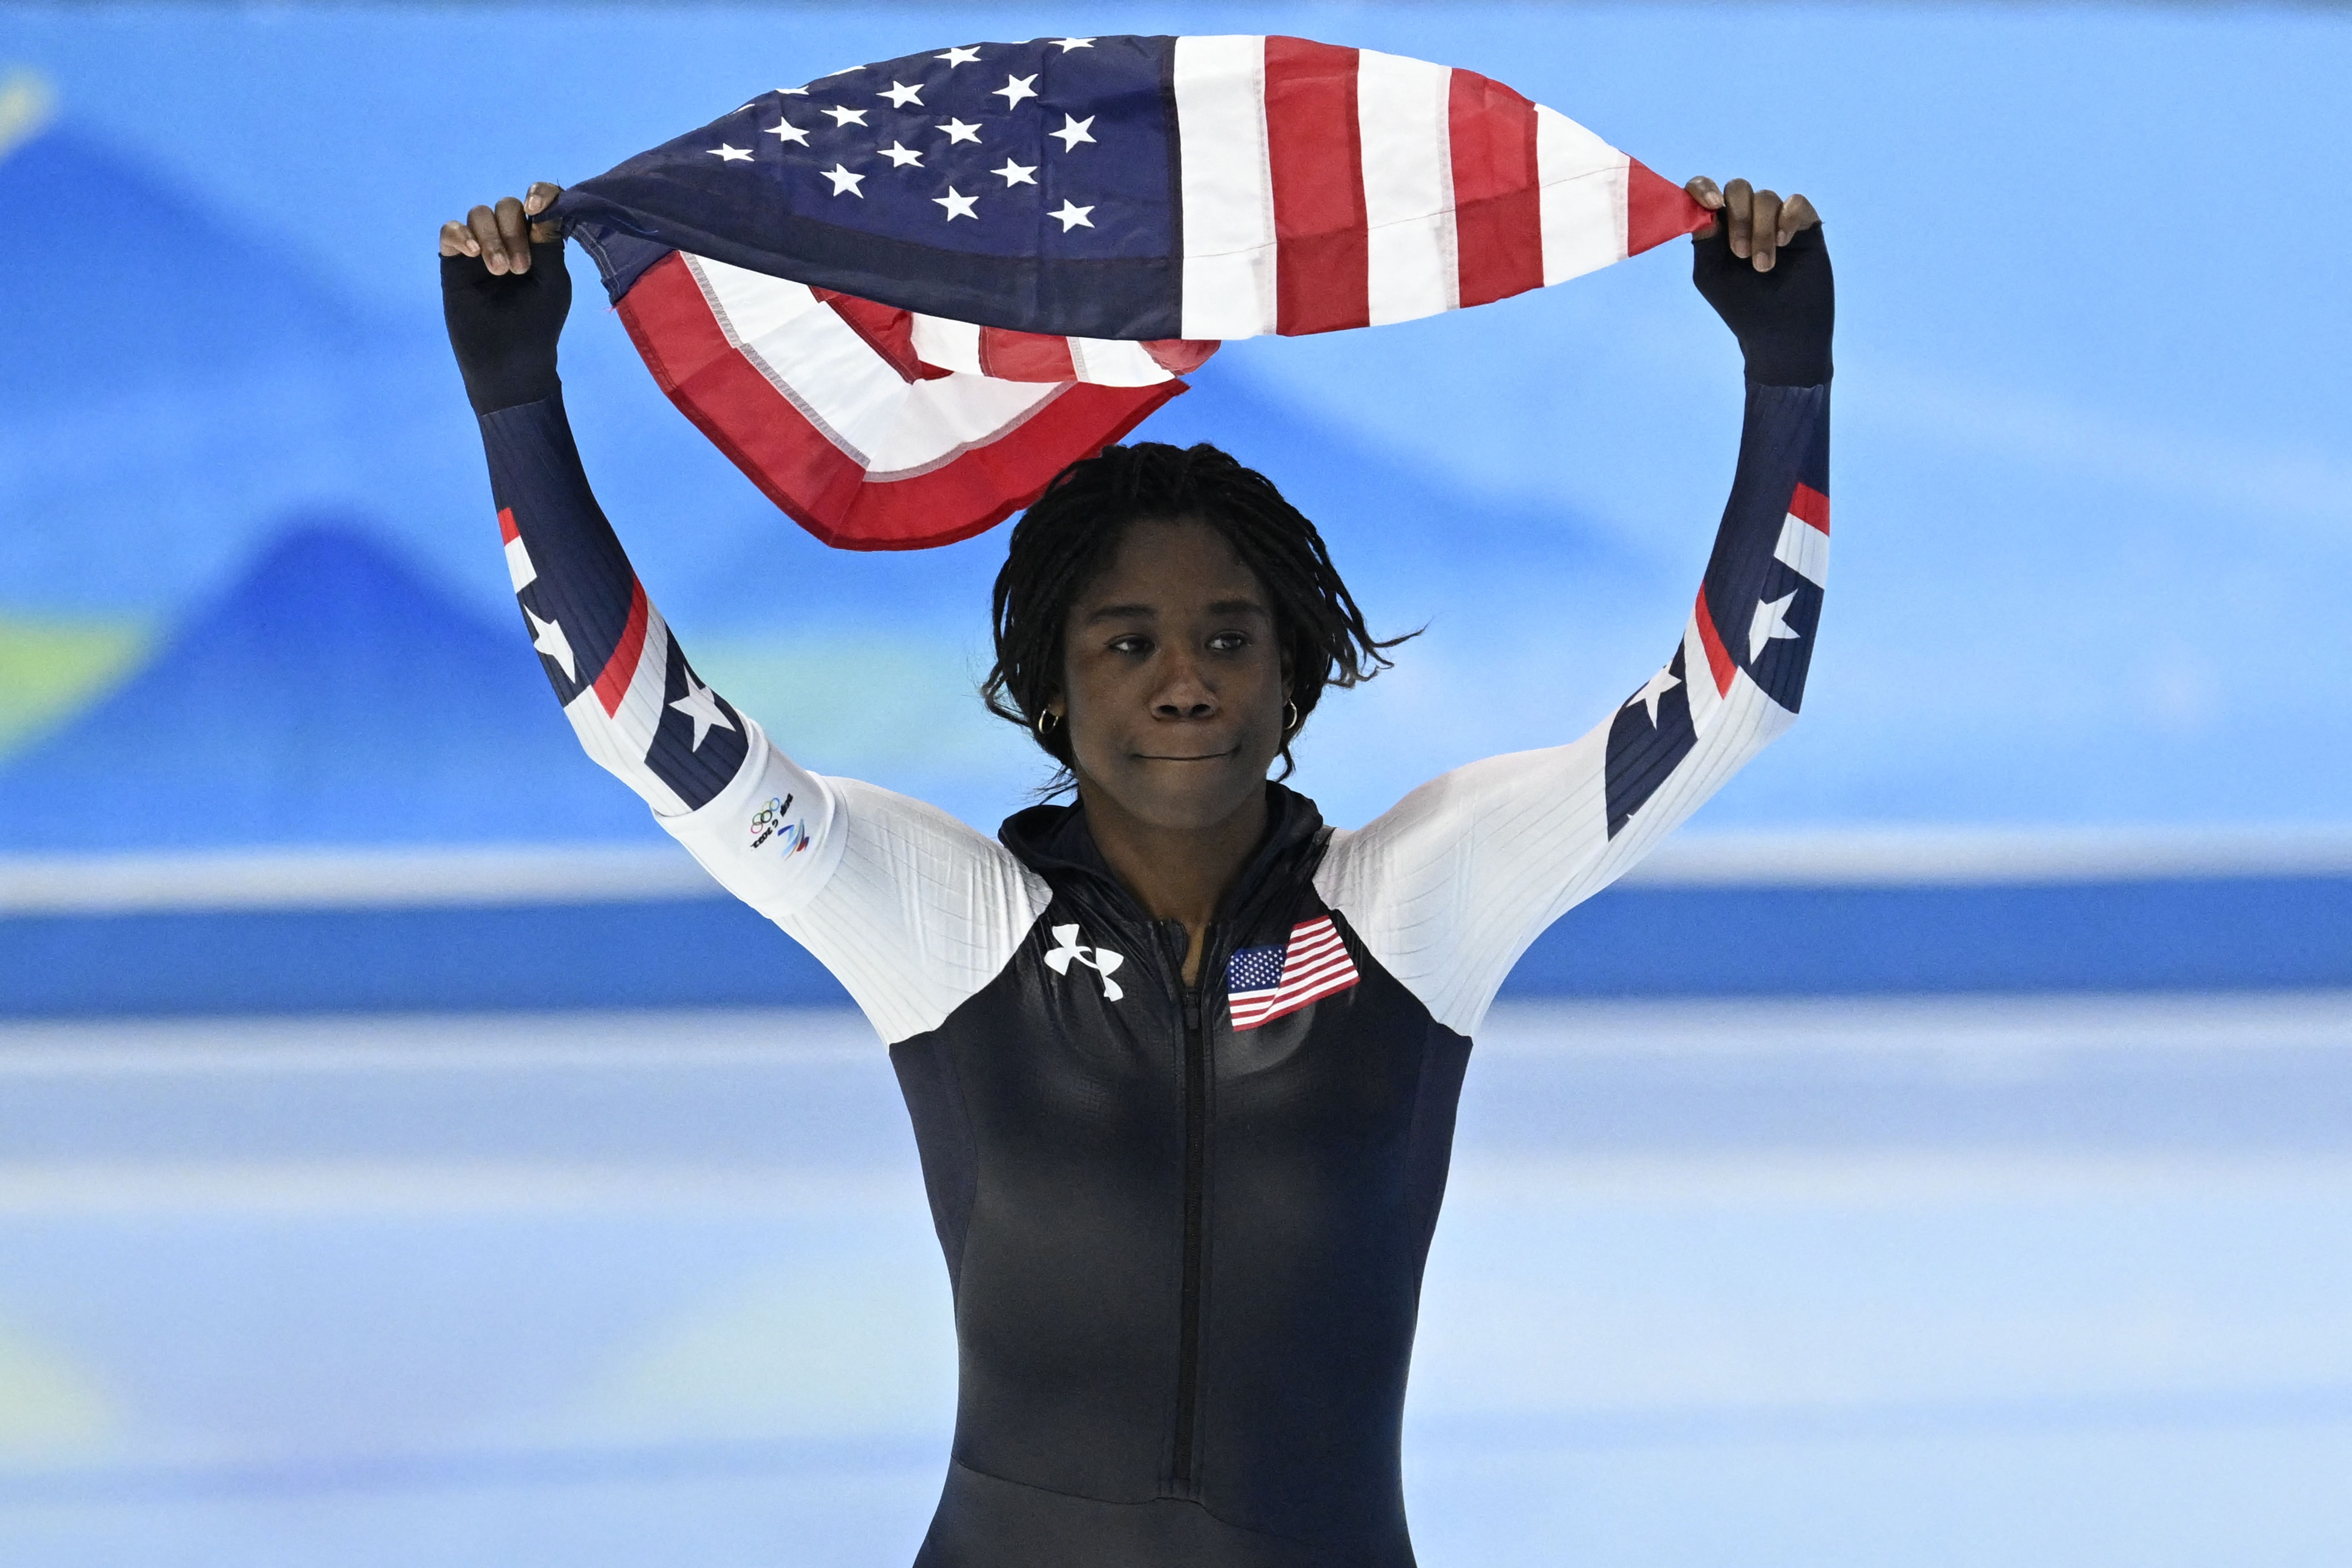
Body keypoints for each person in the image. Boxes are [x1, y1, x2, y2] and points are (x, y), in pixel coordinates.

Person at [440, 172, 1830, 1568]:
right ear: (1052, 690)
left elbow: (1733, 700)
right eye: (1128, 644)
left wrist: (1785, 374)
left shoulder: (1413, 904)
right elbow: (650, 731)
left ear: (1295, 683)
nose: (1185, 684)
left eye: (1231, 641)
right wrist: (517, 398)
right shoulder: (947, 924)